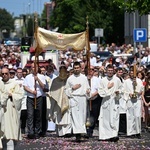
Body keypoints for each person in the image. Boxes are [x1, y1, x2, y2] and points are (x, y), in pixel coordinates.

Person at [65, 61, 90, 142]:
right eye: (75, 68)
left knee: (82, 117)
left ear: (80, 68)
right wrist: (73, 88)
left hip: (82, 98)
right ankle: (77, 134)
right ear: (73, 68)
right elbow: (66, 91)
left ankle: (82, 132)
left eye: (77, 68)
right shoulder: (70, 79)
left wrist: (88, 91)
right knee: (75, 117)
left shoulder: (84, 78)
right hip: (74, 98)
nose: (76, 69)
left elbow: (87, 88)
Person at [0, 67, 24, 149]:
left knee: (10, 133)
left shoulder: (14, 84)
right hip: (1, 111)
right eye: (2, 74)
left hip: (11, 111)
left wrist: (12, 95)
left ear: (9, 74)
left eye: (6, 73)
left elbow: (20, 96)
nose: (4, 75)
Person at [98, 64, 122, 142]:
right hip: (106, 101)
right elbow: (100, 92)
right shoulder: (103, 80)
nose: (110, 72)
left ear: (113, 71)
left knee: (114, 119)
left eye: (111, 71)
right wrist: (108, 87)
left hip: (114, 101)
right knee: (105, 120)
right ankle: (105, 135)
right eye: (109, 70)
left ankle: (114, 135)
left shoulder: (117, 80)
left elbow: (122, 89)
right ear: (106, 71)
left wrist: (119, 92)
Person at [23, 63, 46, 139]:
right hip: (30, 97)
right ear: (31, 68)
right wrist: (32, 91)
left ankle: (37, 131)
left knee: (38, 114)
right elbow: (25, 87)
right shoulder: (28, 77)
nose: (34, 68)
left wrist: (38, 79)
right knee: (30, 114)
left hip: (39, 97)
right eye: (32, 67)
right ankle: (30, 132)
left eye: (35, 67)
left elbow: (43, 86)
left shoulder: (42, 76)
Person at [48, 66, 70, 136]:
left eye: (64, 71)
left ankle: (68, 132)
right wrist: (57, 96)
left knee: (68, 117)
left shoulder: (69, 80)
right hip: (58, 101)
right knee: (59, 116)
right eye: (61, 71)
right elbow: (53, 91)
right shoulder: (55, 80)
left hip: (67, 100)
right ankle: (60, 133)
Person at [123, 66, 144, 138]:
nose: (132, 74)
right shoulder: (126, 81)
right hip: (130, 99)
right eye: (131, 73)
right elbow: (124, 91)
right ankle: (130, 132)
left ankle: (138, 132)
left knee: (137, 116)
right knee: (130, 116)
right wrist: (129, 94)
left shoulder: (139, 81)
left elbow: (141, 90)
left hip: (137, 99)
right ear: (129, 73)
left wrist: (136, 86)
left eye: (133, 73)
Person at [87, 66, 102, 138]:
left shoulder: (97, 80)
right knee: (86, 114)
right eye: (89, 69)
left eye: (92, 70)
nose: (91, 71)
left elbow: (99, 89)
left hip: (94, 99)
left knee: (94, 115)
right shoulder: (84, 79)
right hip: (86, 99)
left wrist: (93, 94)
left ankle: (90, 129)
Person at [14, 68, 27, 136]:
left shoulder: (25, 80)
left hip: (24, 98)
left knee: (24, 114)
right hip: (16, 99)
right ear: (16, 73)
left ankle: (23, 127)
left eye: (21, 72)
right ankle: (17, 128)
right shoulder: (13, 80)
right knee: (16, 115)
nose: (19, 73)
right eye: (18, 72)